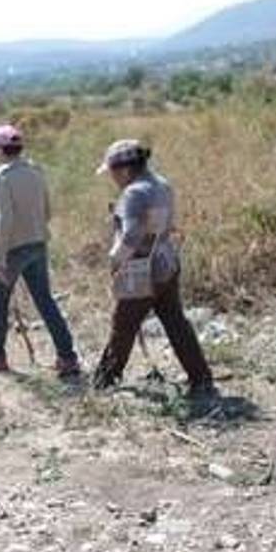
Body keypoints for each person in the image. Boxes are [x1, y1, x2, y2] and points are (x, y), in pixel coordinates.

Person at [91, 140, 214, 397]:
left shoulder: (133, 193)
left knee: (123, 325)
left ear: (124, 170)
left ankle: (105, 381)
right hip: (166, 262)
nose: (111, 177)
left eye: (112, 172)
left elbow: (132, 235)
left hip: (139, 270)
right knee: (176, 322)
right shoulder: (161, 184)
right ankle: (201, 378)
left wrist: (115, 260)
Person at [0, 124, 80, 377]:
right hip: (38, 243)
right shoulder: (36, 171)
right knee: (45, 301)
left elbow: (4, 219)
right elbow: (47, 210)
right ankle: (67, 358)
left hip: (11, 249)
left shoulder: (1, 176)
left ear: (1, 149)